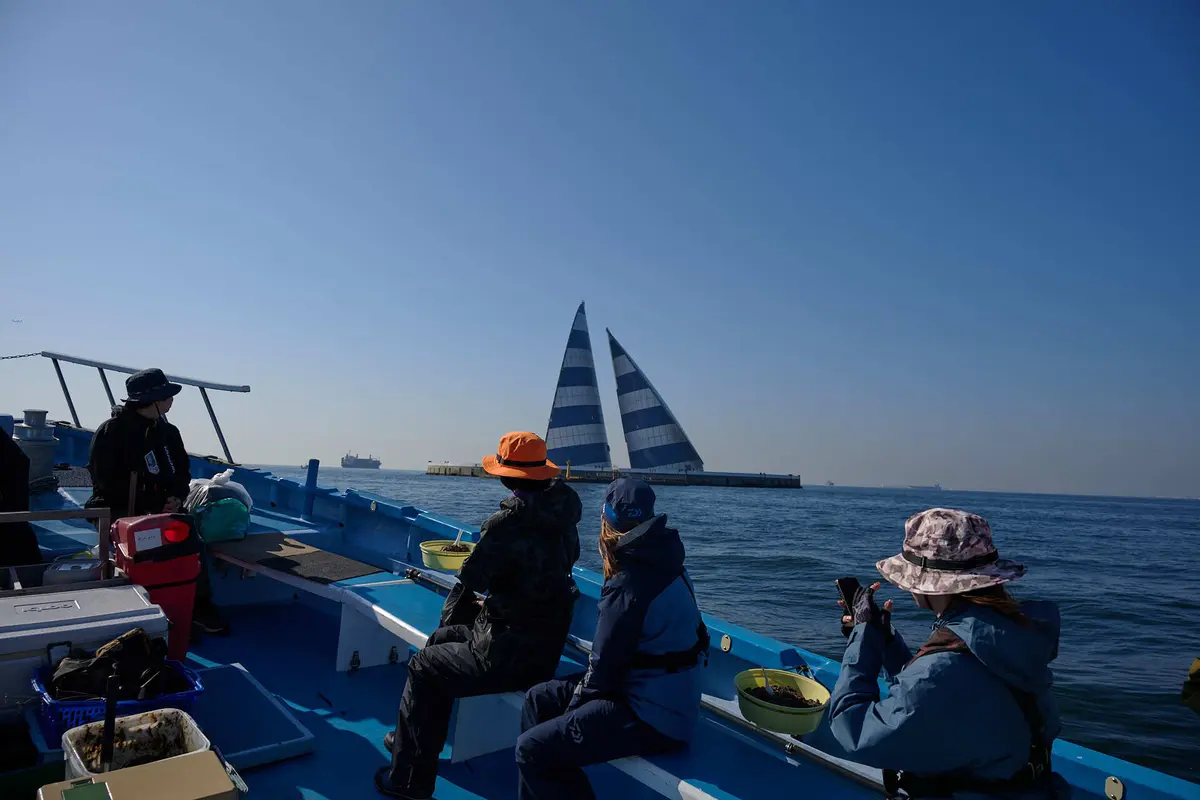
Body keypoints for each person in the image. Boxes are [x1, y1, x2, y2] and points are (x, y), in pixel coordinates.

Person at [377, 431, 582, 799]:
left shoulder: (505, 525)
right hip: (545, 648)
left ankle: (409, 781)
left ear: (507, 477)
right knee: (442, 642)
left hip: (507, 655)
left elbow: (472, 578)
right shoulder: (565, 515)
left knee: (425, 666)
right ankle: (411, 743)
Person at [829, 508, 1062, 798]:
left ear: (932, 583)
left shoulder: (942, 672)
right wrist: (886, 641)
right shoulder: (1012, 633)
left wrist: (862, 639)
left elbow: (854, 731)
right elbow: (938, 697)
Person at [515, 478, 708, 800]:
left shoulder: (628, 584)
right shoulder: (666, 558)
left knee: (533, 750)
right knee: (539, 697)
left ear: (606, 519)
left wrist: (573, 712)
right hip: (654, 692)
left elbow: (603, 670)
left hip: (656, 717)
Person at [85, 368, 229, 635]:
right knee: (145, 544)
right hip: (120, 509)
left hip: (163, 507)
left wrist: (175, 498)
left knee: (189, 540)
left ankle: (195, 606)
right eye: (167, 396)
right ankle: (140, 610)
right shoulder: (111, 433)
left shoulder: (168, 432)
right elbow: (105, 481)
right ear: (153, 400)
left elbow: (182, 472)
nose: (171, 400)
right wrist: (150, 502)